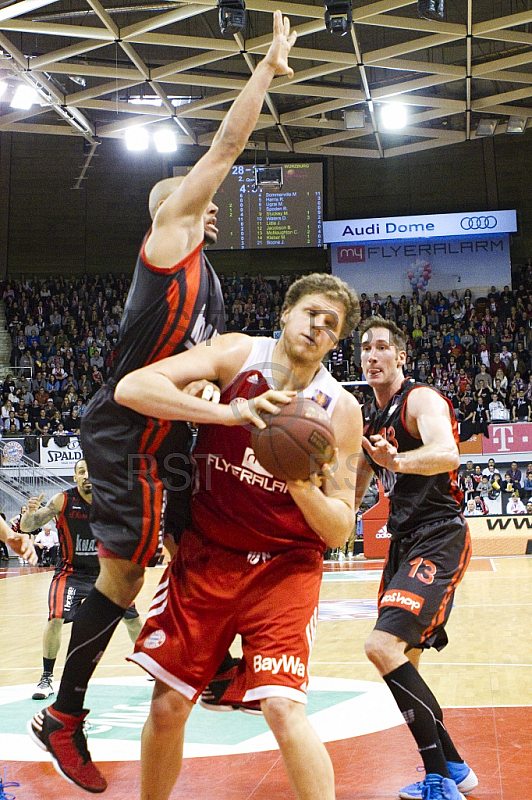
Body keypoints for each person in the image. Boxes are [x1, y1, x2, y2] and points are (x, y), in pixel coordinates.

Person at [28, 12, 298, 794]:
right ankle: (64, 716)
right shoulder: (169, 241)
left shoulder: (209, 281)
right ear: (170, 207)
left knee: (193, 545)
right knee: (121, 576)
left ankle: (203, 667)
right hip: (127, 430)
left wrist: (210, 385)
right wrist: (265, 74)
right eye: (192, 194)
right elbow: (226, 150)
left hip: (166, 429)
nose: (208, 202)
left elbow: (195, 367)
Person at [112, 273, 362, 800]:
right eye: (311, 313)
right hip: (209, 554)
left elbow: (340, 529)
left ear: (335, 343)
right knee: (168, 704)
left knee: (282, 706)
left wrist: (298, 482)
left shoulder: (339, 409)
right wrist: (226, 411)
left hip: (284, 565)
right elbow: (132, 387)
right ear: (287, 314)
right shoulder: (235, 355)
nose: (318, 326)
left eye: (331, 325)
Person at [355, 317, 477, 800]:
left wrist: (397, 462)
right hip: (405, 543)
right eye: (365, 348)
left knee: (381, 648)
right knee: (402, 662)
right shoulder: (371, 422)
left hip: (439, 535)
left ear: (401, 357)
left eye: (382, 347)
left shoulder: (420, 399)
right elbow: (349, 494)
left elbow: (448, 453)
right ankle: (455, 768)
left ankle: (439, 779)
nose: (372, 355)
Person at [21, 460, 142, 702]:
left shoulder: (111, 501)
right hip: (70, 572)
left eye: (91, 470)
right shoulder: (62, 500)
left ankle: (150, 666)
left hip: (105, 573)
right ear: (75, 477)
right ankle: (46, 677)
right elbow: (27, 527)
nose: (87, 475)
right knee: (55, 618)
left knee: (132, 619)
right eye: (81, 472)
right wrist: (30, 513)